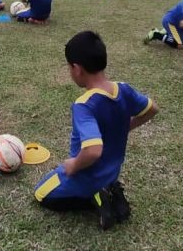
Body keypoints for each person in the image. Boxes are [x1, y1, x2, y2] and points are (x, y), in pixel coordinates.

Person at [33, 30, 159, 230]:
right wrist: (126, 127)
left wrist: (74, 165)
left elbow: (93, 151)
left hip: (85, 176)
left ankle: (95, 195)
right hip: (112, 170)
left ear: (76, 69)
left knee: (40, 193)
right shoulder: (123, 89)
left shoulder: (84, 105)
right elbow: (152, 109)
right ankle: (110, 189)